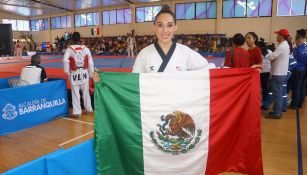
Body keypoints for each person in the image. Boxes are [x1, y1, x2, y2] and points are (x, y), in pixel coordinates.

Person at [93, 6, 211, 81]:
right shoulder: (144, 54)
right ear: (155, 27)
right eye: (160, 25)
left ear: (175, 27)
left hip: (178, 110)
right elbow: (133, 82)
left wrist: (228, 73)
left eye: (169, 25)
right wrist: (104, 79)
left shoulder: (185, 52)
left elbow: (208, 69)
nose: (165, 31)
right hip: (151, 112)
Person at [63, 32, 94, 118]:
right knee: (86, 92)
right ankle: (88, 109)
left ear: (72, 39)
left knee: (75, 93)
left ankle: (77, 112)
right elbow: (90, 62)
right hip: (84, 72)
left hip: (74, 73)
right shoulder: (86, 49)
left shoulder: (69, 50)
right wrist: (91, 74)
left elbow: (65, 60)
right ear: (80, 39)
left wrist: (67, 72)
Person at [266, 29, 290, 119]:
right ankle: (277, 111)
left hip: (278, 74)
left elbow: (271, 57)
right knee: (277, 93)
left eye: (277, 35)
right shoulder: (285, 45)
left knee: (277, 94)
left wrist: (268, 52)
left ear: (281, 36)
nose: (276, 36)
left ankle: (277, 113)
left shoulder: (282, 46)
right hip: (281, 73)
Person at [288, 30, 307, 109]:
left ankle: (294, 104)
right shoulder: (305, 48)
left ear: (299, 40)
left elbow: (292, 60)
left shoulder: (297, 49)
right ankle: (300, 104)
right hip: (305, 70)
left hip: (297, 70)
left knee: (296, 88)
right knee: (302, 87)